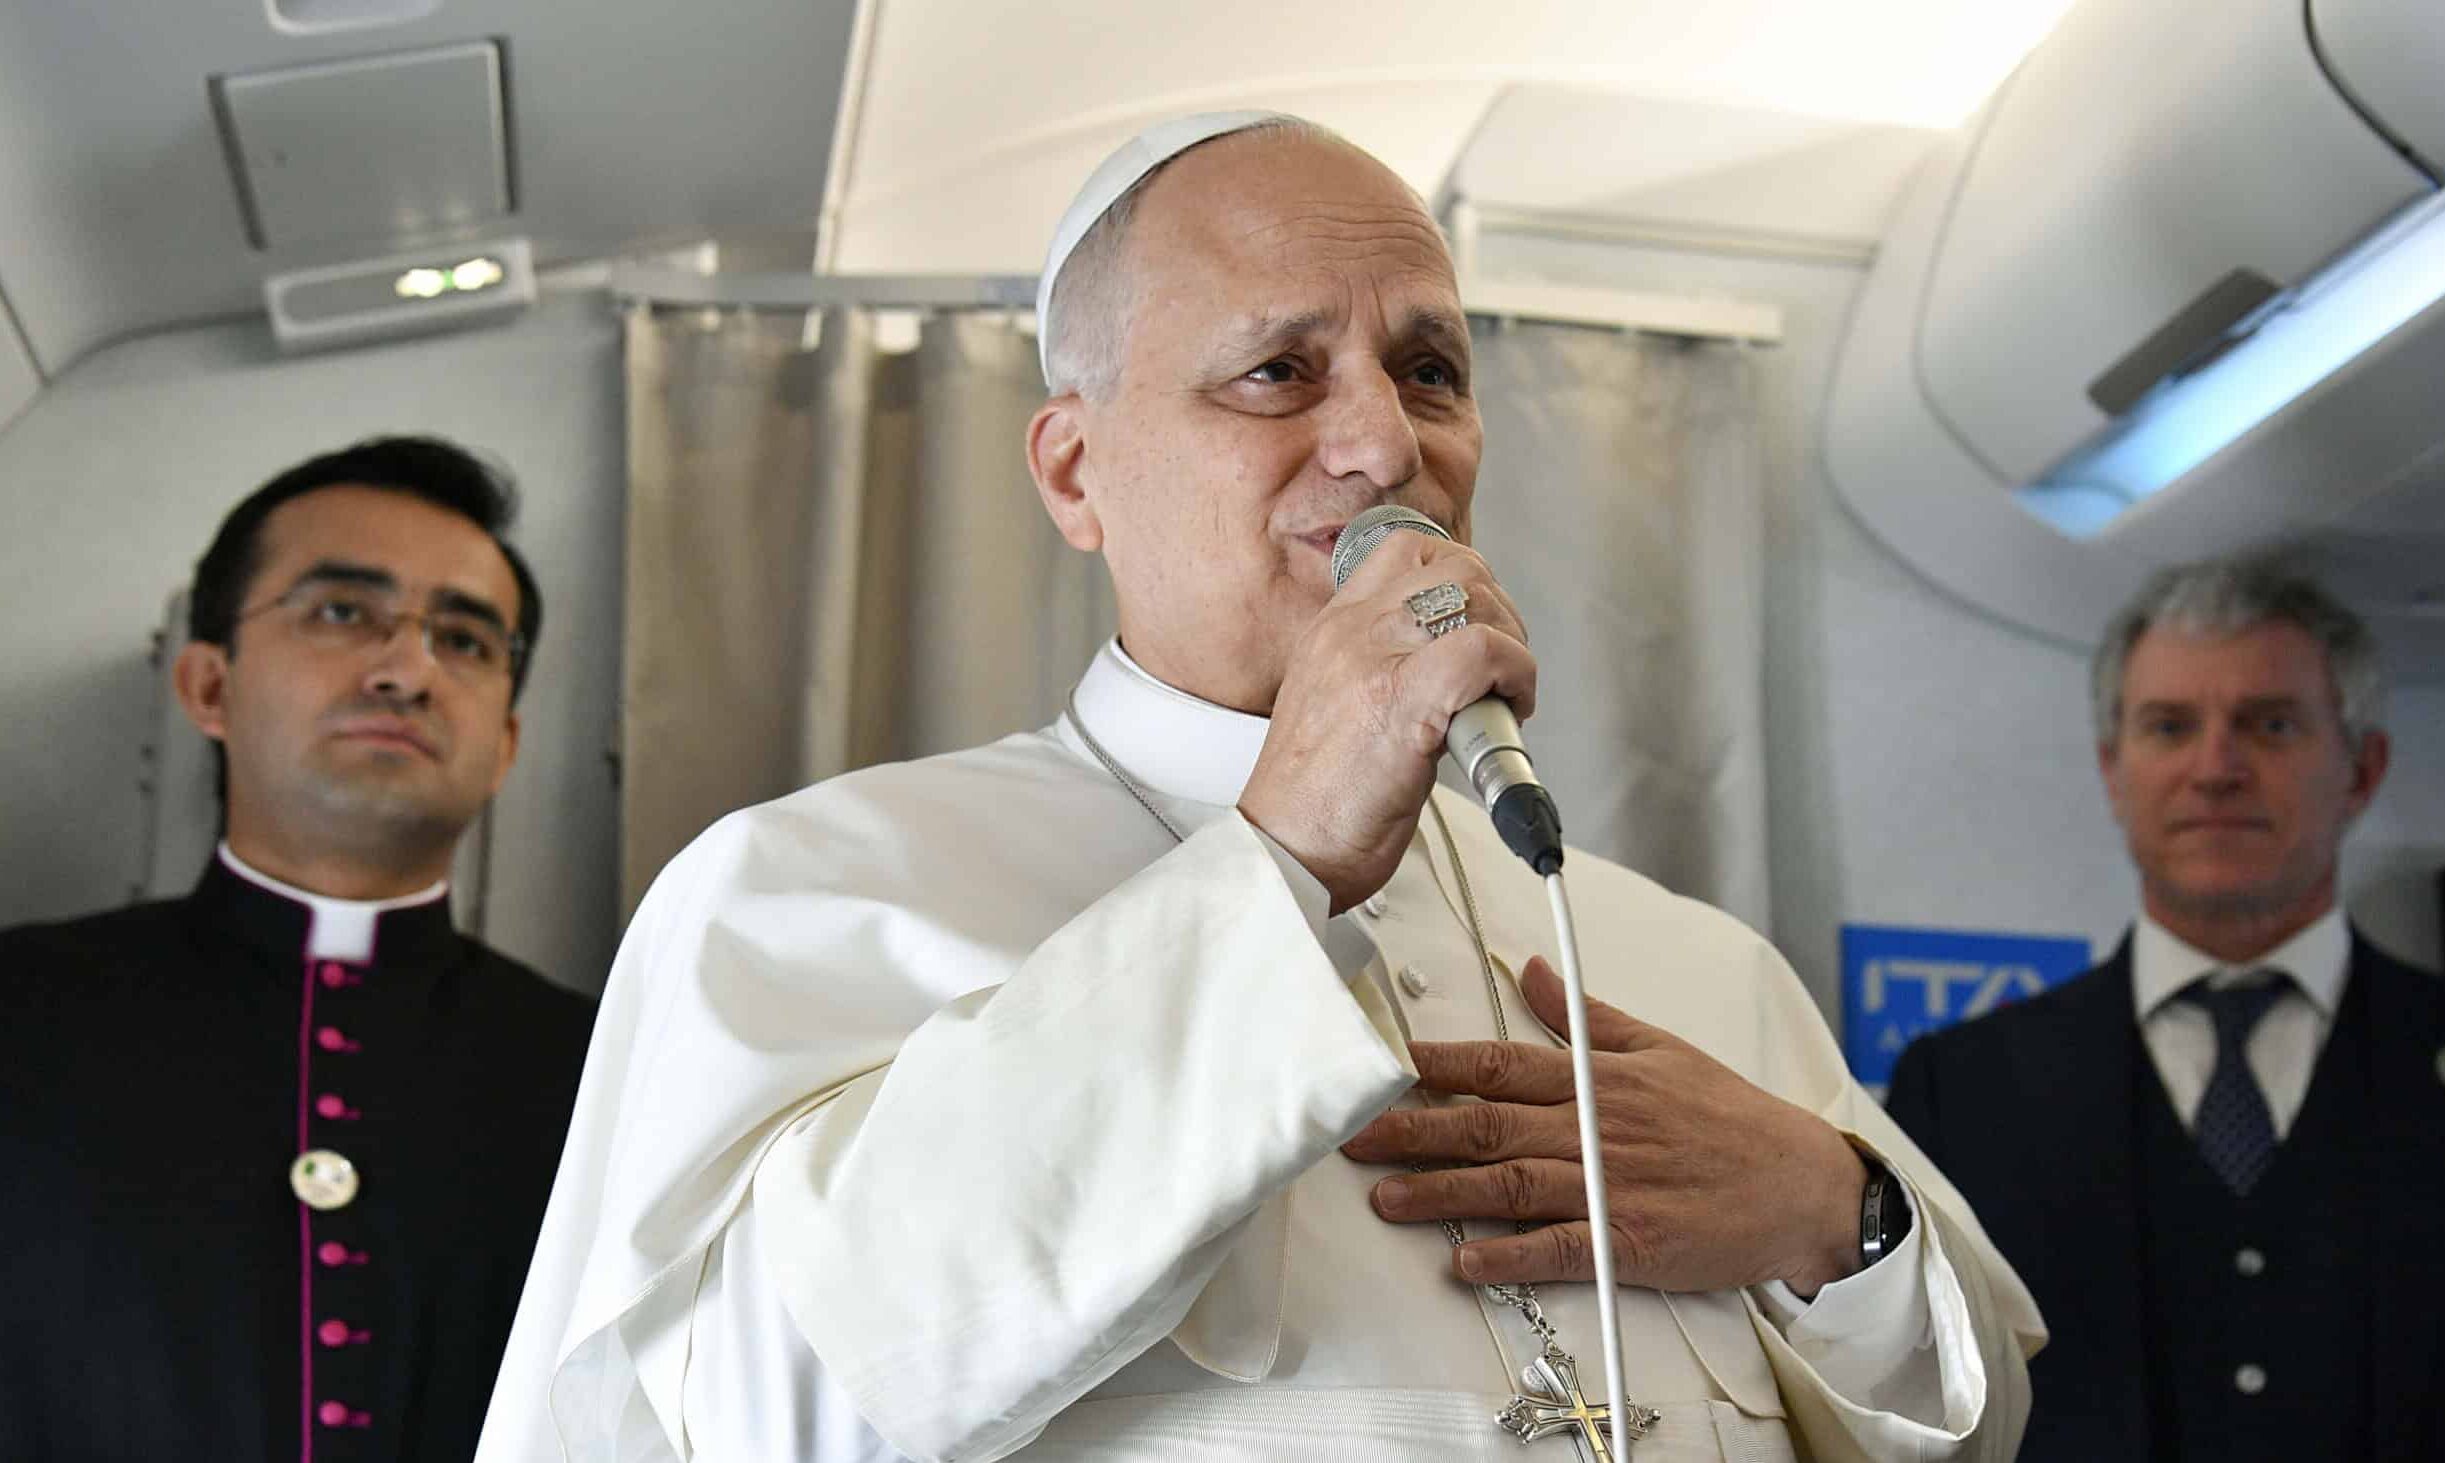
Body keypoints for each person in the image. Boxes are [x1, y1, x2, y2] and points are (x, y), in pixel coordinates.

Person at [477, 114, 2040, 1463]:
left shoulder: (1691, 961)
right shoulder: (810, 889)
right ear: (1074, 471)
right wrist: (1278, 857)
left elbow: (1985, 1417)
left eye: (1429, 370)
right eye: (1278, 372)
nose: (1385, 445)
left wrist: (1837, 1213)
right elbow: (755, 1411)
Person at [0, 437, 597, 1461]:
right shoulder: (21, 1007)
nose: (408, 670)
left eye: (464, 639)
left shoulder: (602, 1066)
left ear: (504, 743)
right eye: (342, 612)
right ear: (209, 685)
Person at [1887, 557, 2445, 1461]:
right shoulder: (1962, 1092)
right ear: (2114, 770)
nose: (2215, 768)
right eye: (2170, 726)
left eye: (2269, 724)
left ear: (2362, 770)